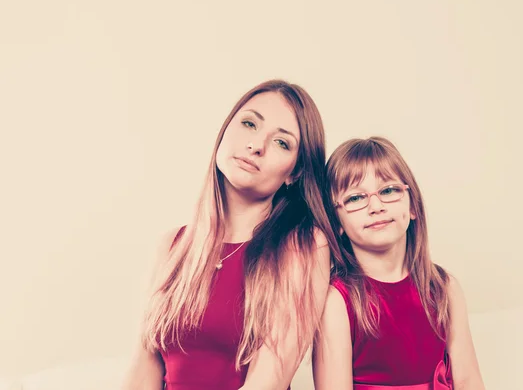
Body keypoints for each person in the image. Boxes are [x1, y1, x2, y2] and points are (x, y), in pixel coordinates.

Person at [122, 80, 341, 390]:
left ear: (295, 172)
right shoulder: (172, 246)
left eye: (282, 142)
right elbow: (143, 371)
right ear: (225, 131)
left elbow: (268, 382)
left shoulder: (304, 245)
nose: (256, 146)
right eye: (249, 123)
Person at [313, 136, 485, 390]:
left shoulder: (444, 288)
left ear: (412, 204)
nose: (376, 206)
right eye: (355, 198)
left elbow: (469, 381)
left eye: (388, 190)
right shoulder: (336, 300)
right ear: (336, 222)